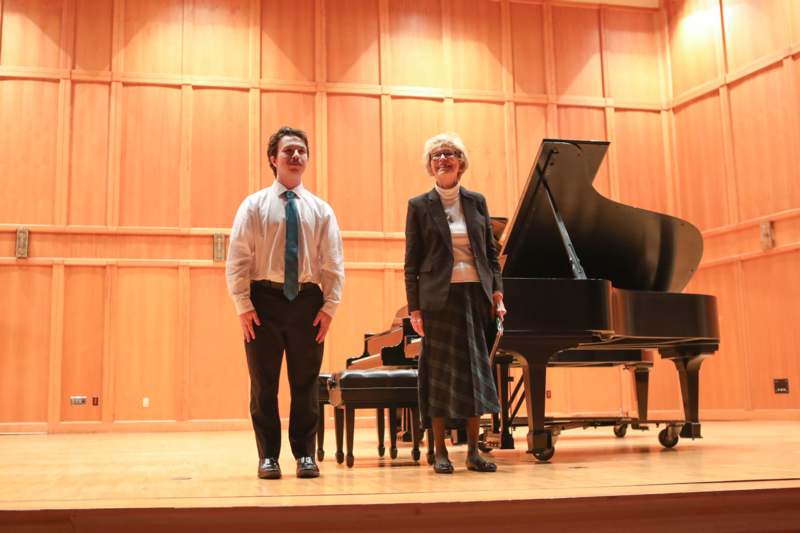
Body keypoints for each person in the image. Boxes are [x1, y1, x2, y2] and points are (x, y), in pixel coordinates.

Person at [226, 126, 344, 479]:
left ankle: (305, 455)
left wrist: (329, 307)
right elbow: (238, 258)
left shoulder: (321, 210)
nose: (295, 156)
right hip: (262, 302)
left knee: (306, 383)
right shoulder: (253, 205)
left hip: (308, 302)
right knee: (263, 383)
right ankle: (268, 457)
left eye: (301, 151)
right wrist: (243, 304)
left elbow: (333, 262)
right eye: (288, 151)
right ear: (273, 159)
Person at [404, 132, 507, 474]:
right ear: (429, 166)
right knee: (438, 376)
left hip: (474, 297)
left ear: (461, 162)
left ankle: (474, 451)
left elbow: (490, 254)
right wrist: (414, 307)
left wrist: (497, 293)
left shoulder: (476, 201)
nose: (443, 159)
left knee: (475, 375)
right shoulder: (419, 206)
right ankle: (440, 450)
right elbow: (411, 261)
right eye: (436, 155)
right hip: (438, 300)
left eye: (449, 153)